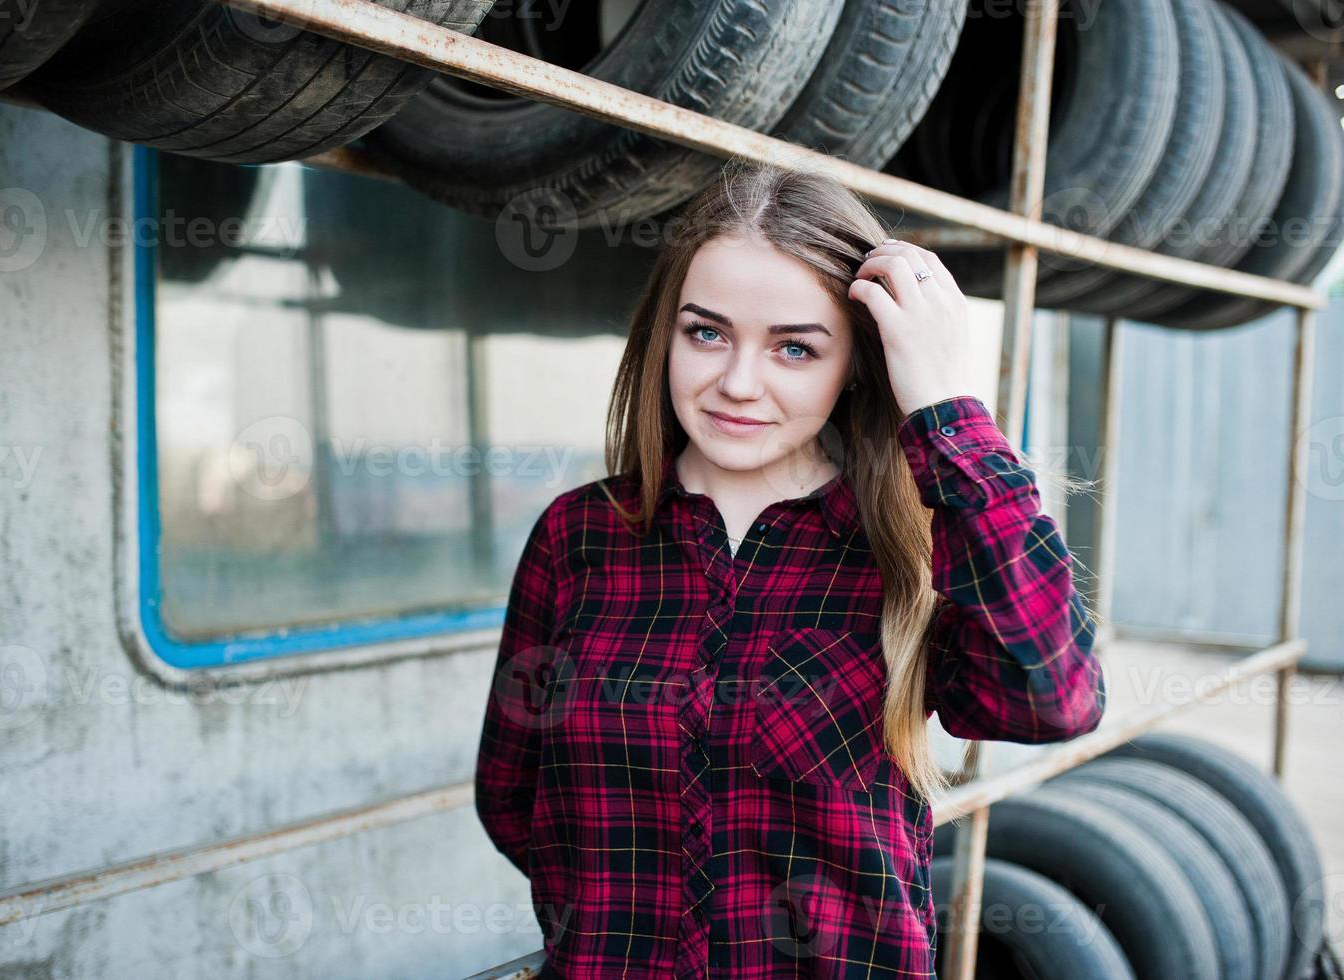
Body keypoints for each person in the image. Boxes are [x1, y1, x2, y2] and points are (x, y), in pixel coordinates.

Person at [475, 157, 1108, 978]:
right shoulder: (579, 536)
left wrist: (948, 413)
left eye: (795, 350)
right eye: (706, 333)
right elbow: (512, 794)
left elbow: (1050, 698)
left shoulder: (912, 545)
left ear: (856, 364)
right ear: (664, 332)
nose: (737, 383)